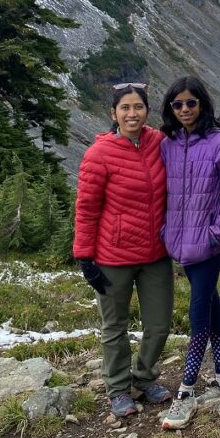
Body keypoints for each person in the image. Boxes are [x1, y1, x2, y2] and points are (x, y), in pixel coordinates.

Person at [74, 82, 173, 418]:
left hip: (155, 254)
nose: (132, 114)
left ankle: (143, 378)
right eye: (125, 108)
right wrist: (85, 257)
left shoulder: (159, 143)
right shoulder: (98, 154)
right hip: (112, 256)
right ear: (113, 113)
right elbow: (87, 209)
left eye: (138, 107)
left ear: (147, 111)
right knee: (114, 327)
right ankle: (118, 389)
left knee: (159, 325)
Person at [158, 76, 220, 430]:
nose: (184, 110)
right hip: (179, 241)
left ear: (202, 104)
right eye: (177, 104)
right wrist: (165, 231)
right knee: (210, 304)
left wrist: (216, 232)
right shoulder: (167, 144)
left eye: (190, 103)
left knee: (198, 312)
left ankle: (187, 390)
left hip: (207, 244)